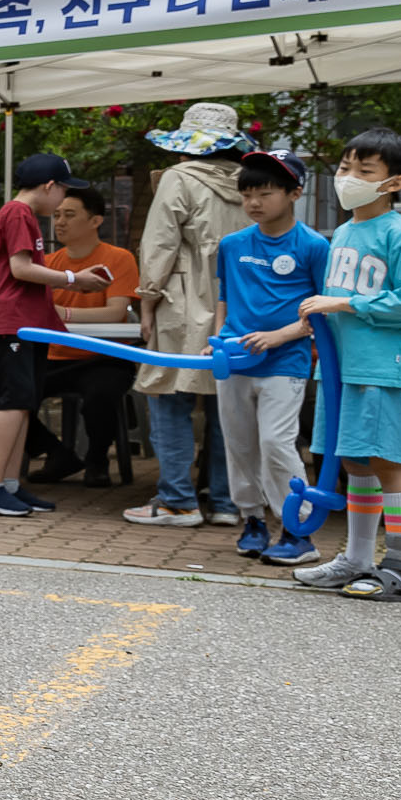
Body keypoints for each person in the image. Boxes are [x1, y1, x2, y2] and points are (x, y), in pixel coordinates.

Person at [292, 128, 401, 597]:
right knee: (355, 460)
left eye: (362, 170)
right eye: (343, 167)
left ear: (393, 183)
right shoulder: (346, 232)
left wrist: (346, 305)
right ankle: (356, 559)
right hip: (340, 371)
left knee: (387, 460)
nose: (347, 177)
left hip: (383, 368)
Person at [127, 102, 252, 529]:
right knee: (226, 403)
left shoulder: (179, 179)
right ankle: (226, 501)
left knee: (167, 394)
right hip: (238, 303)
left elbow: (159, 244)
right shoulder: (252, 184)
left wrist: (147, 300)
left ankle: (177, 499)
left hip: (181, 299)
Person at [0, 154, 111, 517]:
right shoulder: (18, 214)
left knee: (24, 404)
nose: (62, 200)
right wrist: (73, 280)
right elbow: (20, 269)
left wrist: (73, 278)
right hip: (13, 322)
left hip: (24, 322)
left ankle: (10, 485)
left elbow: (24, 267)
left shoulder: (20, 215)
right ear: (50, 186)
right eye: (63, 190)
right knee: (14, 403)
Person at [211, 151, 329, 566]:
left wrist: (281, 335)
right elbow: (224, 300)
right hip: (233, 362)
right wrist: (219, 338)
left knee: (276, 443)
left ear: (295, 193)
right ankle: (252, 520)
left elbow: (321, 311)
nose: (254, 203)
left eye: (265, 192)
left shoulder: (314, 246)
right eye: (247, 194)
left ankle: (297, 530)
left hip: (287, 362)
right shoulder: (231, 244)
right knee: (239, 444)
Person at [25, 183, 141, 488]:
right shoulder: (46, 264)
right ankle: (55, 453)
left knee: (101, 394)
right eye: (58, 214)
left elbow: (115, 312)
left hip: (104, 357)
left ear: (95, 221)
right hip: (53, 357)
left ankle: (97, 460)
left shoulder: (119, 258)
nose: (60, 221)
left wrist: (65, 314)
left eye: (70, 215)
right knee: (2, 392)